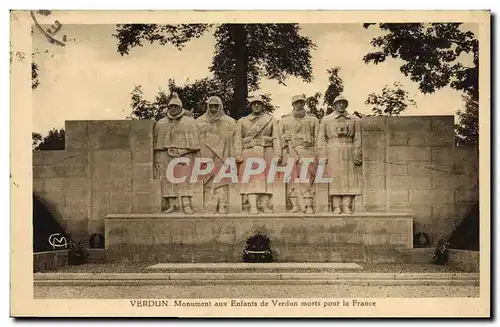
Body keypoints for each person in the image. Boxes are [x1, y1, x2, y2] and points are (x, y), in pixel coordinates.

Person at [153, 92, 201, 214]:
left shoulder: (189, 122)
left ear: (180, 107)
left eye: (175, 106)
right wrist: (158, 158)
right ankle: (172, 204)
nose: (173, 109)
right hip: (166, 155)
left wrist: (183, 151)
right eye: (171, 107)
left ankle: (186, 204)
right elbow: (157, 146)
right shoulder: (161, 123)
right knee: (168, 180)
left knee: (184, 179)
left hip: (184, 155)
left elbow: (195, 143)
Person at [234, 95, 282, 214]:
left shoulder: (271, 120)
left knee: (267, 180)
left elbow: (276, 138)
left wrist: (278, 154)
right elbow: (238, 139)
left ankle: (264, 205)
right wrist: (238, 154)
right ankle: (253, 206)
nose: (256, 105)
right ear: (250, 106)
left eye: (258, 103)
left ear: (262, 106)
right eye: (253, 103)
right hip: (249, 152)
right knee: (251, 179)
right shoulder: (242, 121)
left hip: (266, 152)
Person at [317, 95, 362, 214]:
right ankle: (336, 206)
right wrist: (322, 154)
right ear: (334, 105)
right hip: (332, 150)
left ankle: (347, 205)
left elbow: (357, 137)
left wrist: (357, 152)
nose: (341, 105)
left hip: (349, 149)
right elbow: (321, 138)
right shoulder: (326, 119)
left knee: (349, 179)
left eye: (343, 103)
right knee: (334, 178)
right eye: (339, 103)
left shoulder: (354, 119)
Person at [195, 95, 237, 214]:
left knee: (222, 179)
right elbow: (196, 140)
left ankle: (222, 204)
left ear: (220, 106)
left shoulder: (229, 121)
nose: (213, 109)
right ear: (207, 107)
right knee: (208, 179)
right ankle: (210, 204)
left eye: (216, 106)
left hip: (223, 155)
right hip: (206, 155)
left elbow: (234, 139)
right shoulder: (199, 121)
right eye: (211, 106)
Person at [279, 94, 319, 214]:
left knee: (307, 179)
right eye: (297, 103)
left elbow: (317, 138)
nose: (299, 105)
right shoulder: (284, 120)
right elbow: (278, 137)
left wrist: (318, 154)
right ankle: (295, 205)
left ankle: (308, 205)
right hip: (291, 152)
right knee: (292, 180)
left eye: (301, 102)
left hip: (308, 151)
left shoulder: (313, 120)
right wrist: (284, 138)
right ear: (293, 104)